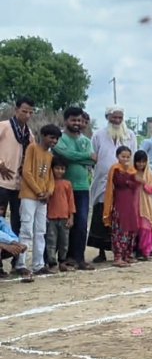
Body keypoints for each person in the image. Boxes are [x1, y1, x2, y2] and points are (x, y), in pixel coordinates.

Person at [88, 105, 138, 264]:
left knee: (123, 219)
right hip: (102, 183)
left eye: (119, 117)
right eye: (114, 117)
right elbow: (93, 156)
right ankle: (101, 252)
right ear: (107, 117)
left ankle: (123, 252)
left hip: (124, 185)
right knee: (102, 214)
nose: (117, 120)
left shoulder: (130, 135)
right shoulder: (98, 135)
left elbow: (134, 158)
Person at [15, 125, 60, 281]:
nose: (53, 141)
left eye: (56, 139)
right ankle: (22, 264)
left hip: (42, 198)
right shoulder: (32, 148)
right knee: (27, 229)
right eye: (51, 137)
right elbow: (26, 172)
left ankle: (38, 264)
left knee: (40, 230)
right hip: (29, 195)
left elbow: (50, 177)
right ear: (43, 135)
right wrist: (38, 191)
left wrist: (48, 192)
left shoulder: (49, 155)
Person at [53, 106, 95, 271]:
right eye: (73, 120)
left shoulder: (86, 140)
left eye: (79, 120)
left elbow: (93, 161)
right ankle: (62, 258)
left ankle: (78, 257)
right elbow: (65, 155)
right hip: (63, 188)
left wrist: (78, 157)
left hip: (83, 187)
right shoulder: (60, 139)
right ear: (66, 121)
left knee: (82, 222)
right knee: (64, 223)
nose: (77, 123)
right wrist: (85, 156)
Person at [0, 97, 35, 241]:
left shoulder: (29, 134)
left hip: (19, 184)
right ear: (16, 110)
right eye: (24, 111)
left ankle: (16, 258)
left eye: (30, 113)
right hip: (1, 182)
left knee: (18, 220)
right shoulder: (4, 126)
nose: (27, 115)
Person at [102, 146, 141, 268]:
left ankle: (128, 255)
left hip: (131, 202)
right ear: (117, 156)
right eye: (123, 156)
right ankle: (118, 256)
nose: (125, 159)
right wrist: (129, 182)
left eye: (128, 157)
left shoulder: (132, 170)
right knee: (120, 229)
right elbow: (119, 182)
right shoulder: (115, 169)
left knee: (131, 228)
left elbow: (137, 184)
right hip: (119, 201)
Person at [45, 156, 75, 273]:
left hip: (64, 217)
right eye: (57, 168)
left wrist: (71, 216)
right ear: (52, 169)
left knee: (64, 242)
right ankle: (52, 263)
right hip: (51, 217)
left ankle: (62, 261)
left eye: (62, 169)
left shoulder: (67, 184)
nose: (60, 171)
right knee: (51, 241)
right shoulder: (49, 183)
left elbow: (71, 201)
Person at [132, 151, 152, 260]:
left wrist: (143, 182)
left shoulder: (149, 174)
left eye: (143, 162)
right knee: (133, 229)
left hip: (145, 205)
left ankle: (146, 251)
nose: (141, 164)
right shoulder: (131, 172)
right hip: (133, 204)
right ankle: (132, 252)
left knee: (146, 228)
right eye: (138, 162)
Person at [0, 203, 27, 279]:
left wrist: (16, 245)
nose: (0, 211)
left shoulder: (1, 220)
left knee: (16, 248)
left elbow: (11, 235)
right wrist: (8, 244)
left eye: (2, 209)